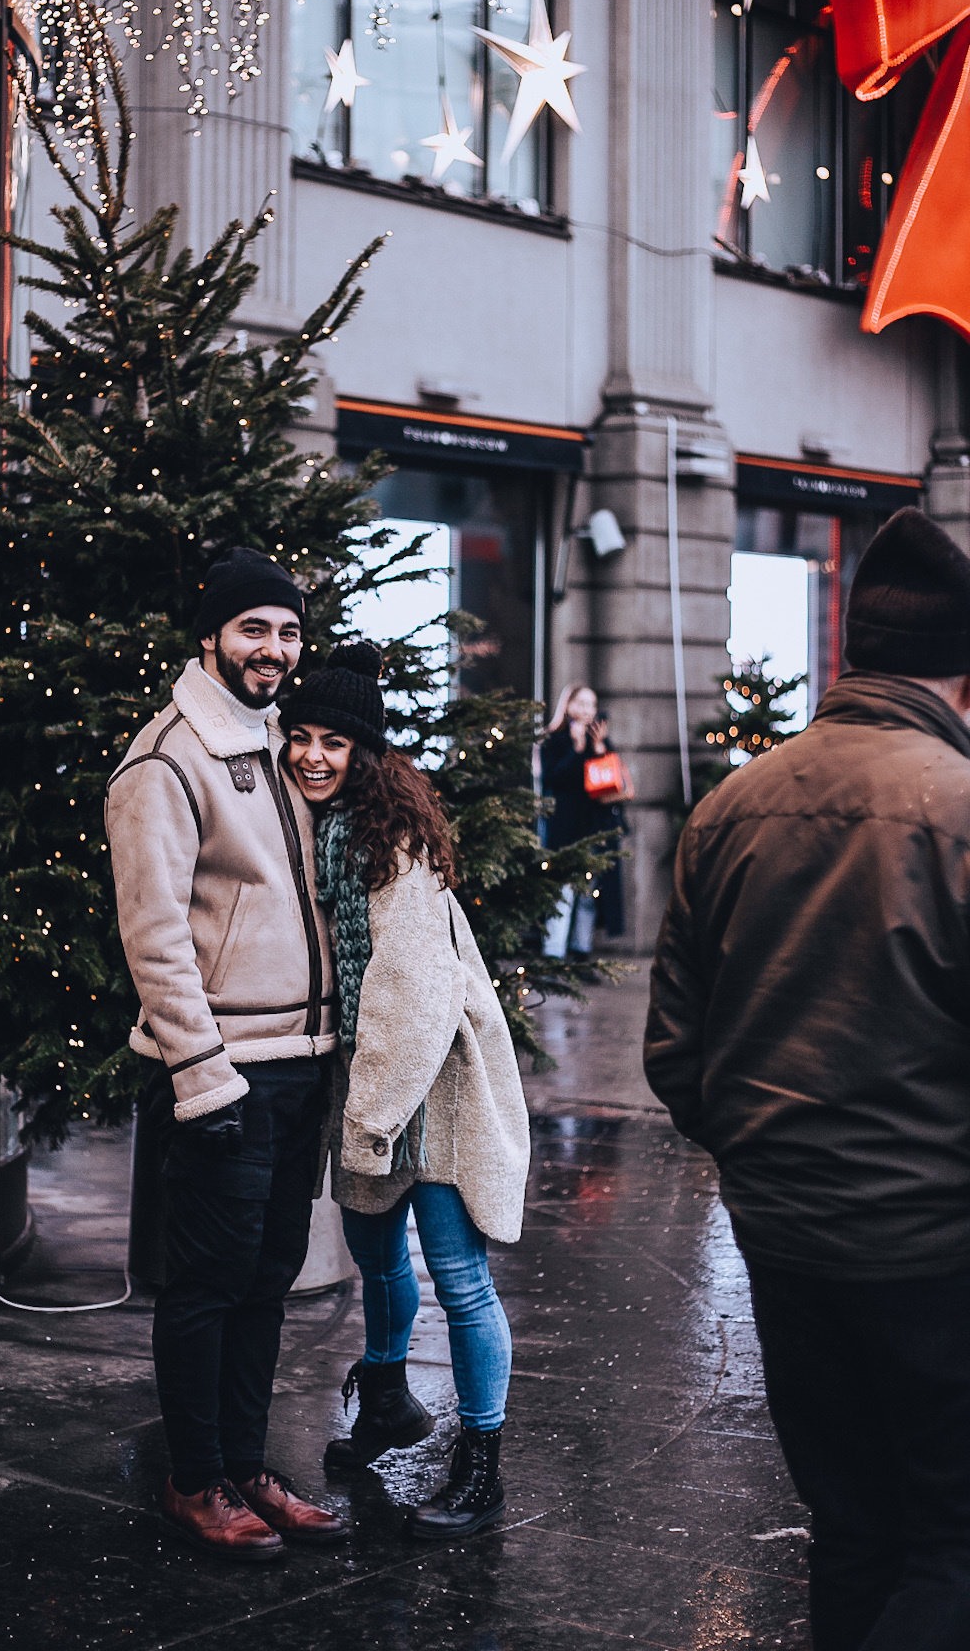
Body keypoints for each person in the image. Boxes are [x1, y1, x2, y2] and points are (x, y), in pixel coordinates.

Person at [645, 507, 970, 1651]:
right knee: (946, 1546)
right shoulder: (956, 812)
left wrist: (764, 1158)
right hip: (931, 1249)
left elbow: (674, 1055)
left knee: (846, 1530)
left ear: (852, 649)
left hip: (782, 1240)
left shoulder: (728, 809)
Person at [105, 547, 346, 1562]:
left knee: (265, 1281)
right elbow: (153, 933)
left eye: (288, 632)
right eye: (254, 629)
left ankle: (245, 1466)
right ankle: (194, 1478)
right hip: (223, 1071)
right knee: (204, 1287)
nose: (274, 650)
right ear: (209, 635)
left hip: (301, 1058)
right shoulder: (163, 761)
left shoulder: (283, 744)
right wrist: (202, 1075)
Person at [280, 641, 530, 1539]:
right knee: (377, 1259)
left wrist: (373, 1116)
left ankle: (483, 1462)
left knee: (461, 1281)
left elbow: (413, 993)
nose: (313, 755)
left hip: (431, 1089)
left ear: (365, 754)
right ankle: (387, 1396)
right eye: (300, 737)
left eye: (334, 743)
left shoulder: (393, 839)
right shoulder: (320, 827)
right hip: (369, 1085)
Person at [539, 682, 627, 956]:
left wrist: (598, 748)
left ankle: (581, 950)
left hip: (596, 827)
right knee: (563, 892)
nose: (588, 710)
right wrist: (576, 750)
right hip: (566, 827)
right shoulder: (554, 739)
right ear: (568, 705)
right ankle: (554, 953)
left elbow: (612, 780)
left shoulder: (600, 741)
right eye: (582, 703)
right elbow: (552, 778)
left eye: (592, 704)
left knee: (590, 893)